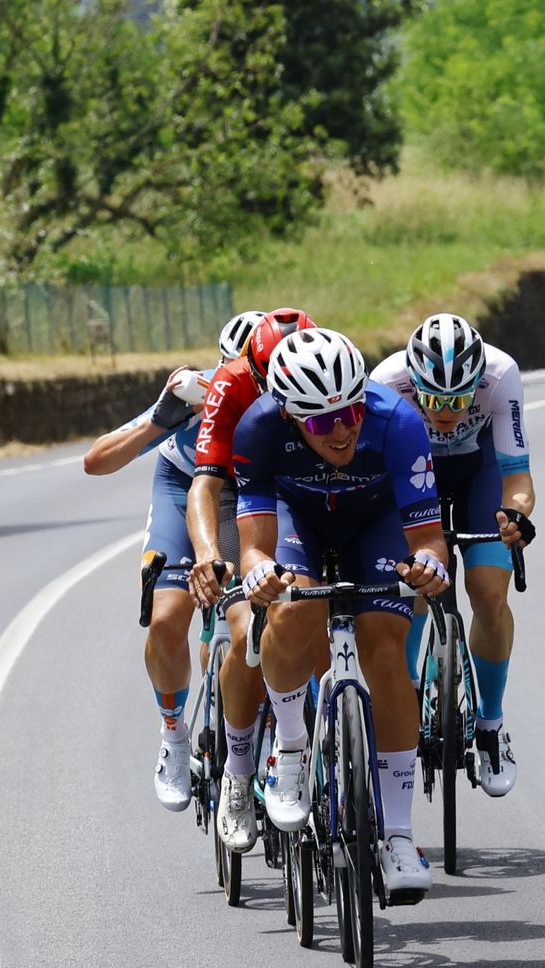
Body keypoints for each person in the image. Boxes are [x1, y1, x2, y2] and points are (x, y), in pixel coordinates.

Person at [233, 327, 450, 900]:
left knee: (384, 647)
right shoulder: (257, 429)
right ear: (289, 417)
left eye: (351, 410)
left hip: (375, 522)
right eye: (323, 421)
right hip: (298, 520)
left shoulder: (397, 421)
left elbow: (428, 536)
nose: (344, 428)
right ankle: (292, 745)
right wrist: (257, 572)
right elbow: (254, 544)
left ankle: (399, 835)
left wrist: (429, 566)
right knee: (289, 615)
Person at [81, 311, 260, 811]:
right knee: (165, 620)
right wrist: (159, 420)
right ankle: (173, 731)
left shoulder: (287, 402)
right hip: (185, 490)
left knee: (263, 607)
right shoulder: (195, 396)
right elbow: (96, 462)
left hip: (249, 497)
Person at [370, 312, 535, 798]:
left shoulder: (502, 376)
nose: (447, 411)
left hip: (477, 470)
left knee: (487, 593)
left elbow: (517, 478)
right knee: (414, 589)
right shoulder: (387, 381)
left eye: (461, 399)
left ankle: (490, 725)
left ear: (477, 384)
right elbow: (377, 485)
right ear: (413, 384)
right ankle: (407, 693)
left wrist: (516, 516)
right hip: (411, 472)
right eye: (435, 399)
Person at [184, 308, 316, 854]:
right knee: (244, 632)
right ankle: (237, 777)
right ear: (253, 368)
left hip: (303, 489)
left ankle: (334, 751)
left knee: (320, 613)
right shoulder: (232, 384)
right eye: (269, 379)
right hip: (242, 494)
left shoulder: (329, 369)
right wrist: (211, 555)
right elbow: (205, 487)